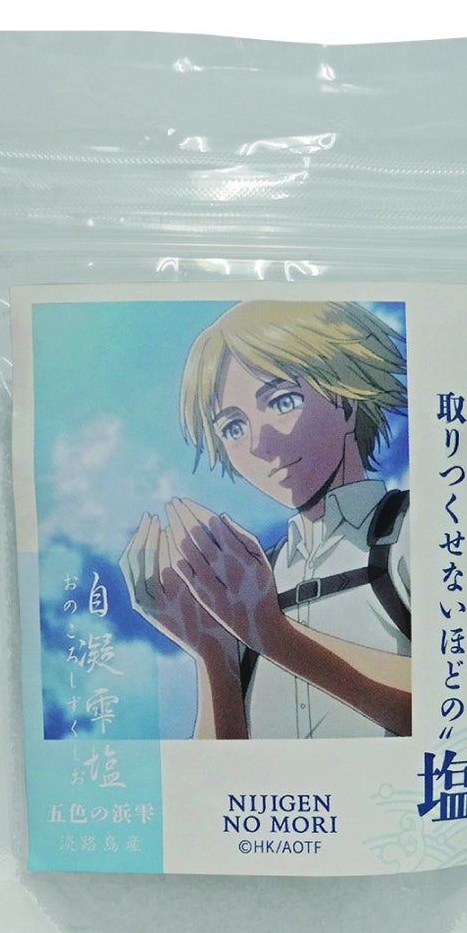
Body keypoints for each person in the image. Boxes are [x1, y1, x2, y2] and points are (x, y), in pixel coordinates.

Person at [120, 301, 411, 739]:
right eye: (233, 428)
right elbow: (223, 769)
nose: (258, 443)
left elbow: (450, 709)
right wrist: (214, 649)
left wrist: (272, 634)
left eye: (283, 401)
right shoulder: (254, 579)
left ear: (346, 402)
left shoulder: (410, 532)